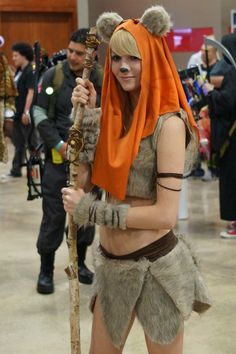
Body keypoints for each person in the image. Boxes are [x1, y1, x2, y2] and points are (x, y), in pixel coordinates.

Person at [62, 6, 212, 353]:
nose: (123, 66)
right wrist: (85, 117)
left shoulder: (169, 124)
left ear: (153, 60)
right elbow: (83, 184)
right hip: (111, 267)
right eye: (116, 58)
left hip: (156, 270)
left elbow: (164, 216)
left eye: (134, 57)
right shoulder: (111, 119)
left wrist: (91, 212)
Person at [33, 28, 103, 294]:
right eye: (70, 50)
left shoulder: (101, 79)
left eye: (79, 53)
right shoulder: (54, 75)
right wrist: (58, 144)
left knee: (85, 215)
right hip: (57, 159)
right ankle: (46, 269)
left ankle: (81, 264)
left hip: (90, 163)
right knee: (53, 216)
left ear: (92, 55)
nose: (72, 56)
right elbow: (38, 111)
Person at [204, 33, 236, 239]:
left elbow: (229, 101)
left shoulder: (232, 72)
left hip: (231, 139)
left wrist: (210, 91)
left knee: (232, 180)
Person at [10, 42, 38, 177]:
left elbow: (31, 92)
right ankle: (16, 170)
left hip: (25, 113)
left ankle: (36, 171)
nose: (13, 58)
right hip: (17, 112)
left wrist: (26, 112)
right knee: (18, 143)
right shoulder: (19, 70)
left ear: (23, 56)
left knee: (32, 143)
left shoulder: (30, 71)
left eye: (16, 56)